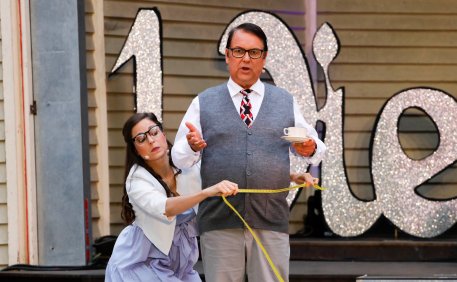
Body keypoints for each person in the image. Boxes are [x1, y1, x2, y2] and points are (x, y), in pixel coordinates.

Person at [172, 23, 327, 282]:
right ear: (227, 55)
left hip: (271, 220)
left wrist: (309, 147)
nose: (246, 59)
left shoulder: (284, 101)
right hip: (220, 220)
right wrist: (191, 145)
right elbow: (178, 157)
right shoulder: (204, 102)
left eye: (254, 52)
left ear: (264, 58)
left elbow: (314, 148)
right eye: (239, 51)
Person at [105, 112, 239, 282]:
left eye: (154, 132)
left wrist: (195, 147)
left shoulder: (186, 165)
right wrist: (206, 193)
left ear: (163, 133)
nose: (151, 140)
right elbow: (166, 208)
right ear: (135, 150)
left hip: (180, 263)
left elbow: (215, 167)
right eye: (141, 139)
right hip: (142, 262)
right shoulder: (137, 180)